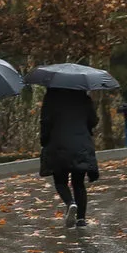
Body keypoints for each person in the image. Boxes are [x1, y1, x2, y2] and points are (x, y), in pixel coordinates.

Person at [40, 87, 99, 228]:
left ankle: (70, 202)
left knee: (60, 182)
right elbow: (93, 121)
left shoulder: (51, 98)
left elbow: (45, 122)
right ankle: (81, 220)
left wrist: (44, 140)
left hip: (58, 145)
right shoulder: (83, 97)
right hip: (81, 145)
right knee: (78, 183)